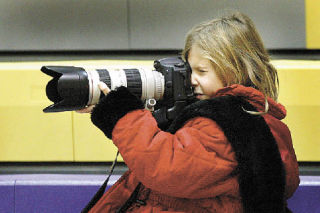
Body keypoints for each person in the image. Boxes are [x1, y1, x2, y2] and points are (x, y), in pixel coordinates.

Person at [78, 12, 299, 212]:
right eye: (190, 70)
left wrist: (122, 117)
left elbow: (165, 166)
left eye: (202, 71)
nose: (192, 80)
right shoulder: (241, 118)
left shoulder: (229, 125)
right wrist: (109, 111)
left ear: (236, 69)